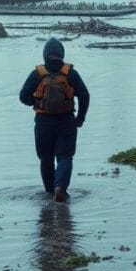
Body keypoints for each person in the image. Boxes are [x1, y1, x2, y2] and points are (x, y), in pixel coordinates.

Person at [20, 38, 90, 202]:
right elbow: (85, 95)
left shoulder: (38, 73)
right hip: (66, 122)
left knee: (46, 159)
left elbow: (23, 97)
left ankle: (49, 193)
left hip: (43, 123)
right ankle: (60, 188)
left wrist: (37, 102)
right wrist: (80, 118)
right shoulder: (70, 72)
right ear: (61, 54)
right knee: (65, 157)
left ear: (45, 55)